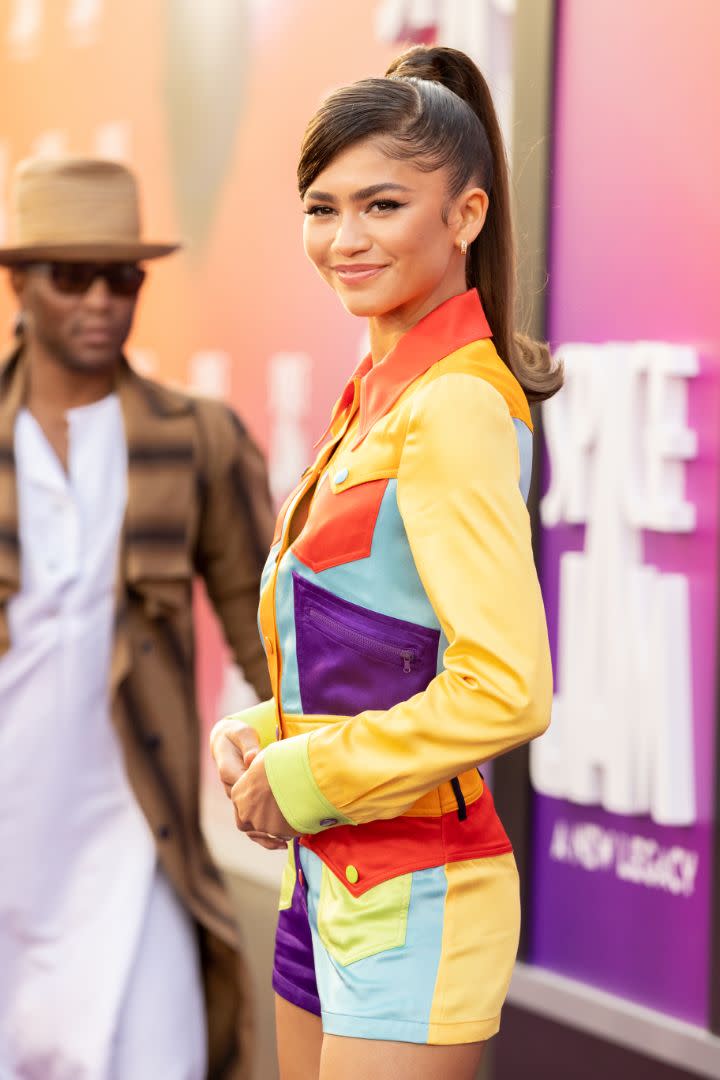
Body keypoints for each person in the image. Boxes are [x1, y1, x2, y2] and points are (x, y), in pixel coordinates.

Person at [211, 45, 562, 1080]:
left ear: (465, 217)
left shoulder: (452, 404)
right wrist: (269, 729)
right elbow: (386, 647)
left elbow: (506, 691)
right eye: (323, 208)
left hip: (416, 894)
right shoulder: (379, 389)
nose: (344, 239)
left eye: (382, 206)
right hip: (328, 884)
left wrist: (306, 774)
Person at [0, 156, 273, 1079]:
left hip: (132, 839)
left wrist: (340, 769)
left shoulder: (195, 438)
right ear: (18, 286)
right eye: (71, 276)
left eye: (122, 278)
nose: (101, 302)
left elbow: (270, 632)